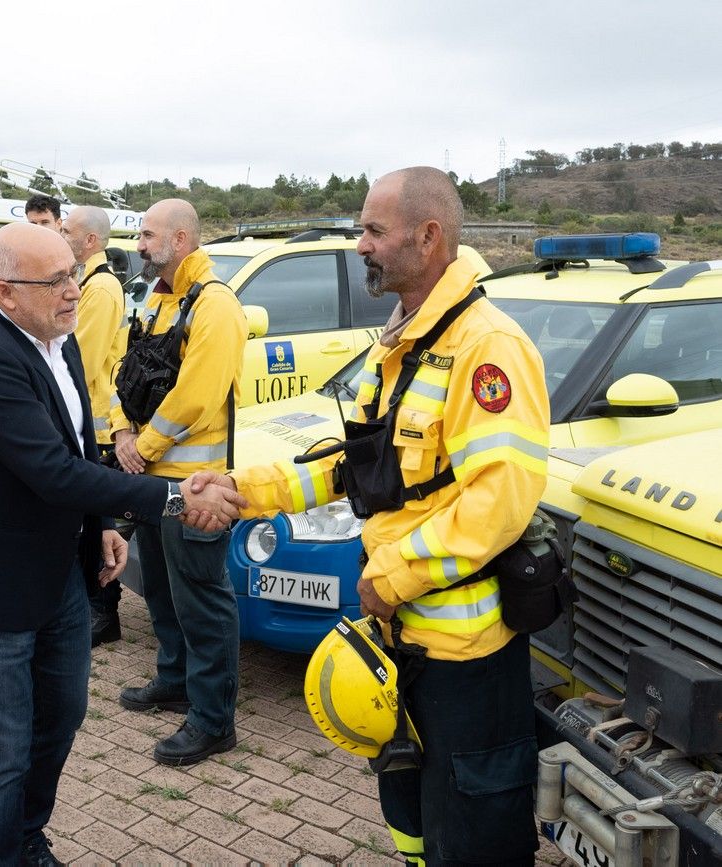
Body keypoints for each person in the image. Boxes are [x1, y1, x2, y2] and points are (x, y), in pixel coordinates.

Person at [192, 167, 549, 866]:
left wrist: (393, 573)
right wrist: (241, 489)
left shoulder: (487, 348)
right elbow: (355, 468)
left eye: (373, 230)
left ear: (429, 236)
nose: (359, 244)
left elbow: (498, 500)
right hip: (399, 642)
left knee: (477, 828)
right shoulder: (400, 344)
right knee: (410, 811)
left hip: (465, 658)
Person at [0, 221, 244, 865]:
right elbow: (51, 471)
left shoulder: (56, 342)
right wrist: (177, 498)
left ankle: (27, 837)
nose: (76, 289)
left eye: (74, 272)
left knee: (61, 719)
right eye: (58, 279)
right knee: (3, 748)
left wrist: (99, 529)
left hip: (59, 575)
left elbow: (75, 447)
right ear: (6, 293)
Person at [111, 199, 248, 766]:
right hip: (149, 478)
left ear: (182, 239)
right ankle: (173, 680)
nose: (139, 245)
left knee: (202, 600)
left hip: (194, 488)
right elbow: (126, 371)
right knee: (162, 591)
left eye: (147, 235)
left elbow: (196, 394)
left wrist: (139, 449)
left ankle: (214, 720)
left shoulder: (216, 306)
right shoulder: (156, 298)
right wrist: (121, 431)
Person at [59, 205, 129, 646]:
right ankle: (94, 607)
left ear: (91, 241)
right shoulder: (87, 282)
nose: (60, 236)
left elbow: (80, 359)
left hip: (100, 425)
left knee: (100, 524)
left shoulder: (100, 289)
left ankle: (104, 614)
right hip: (92, 420)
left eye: (67, 231)